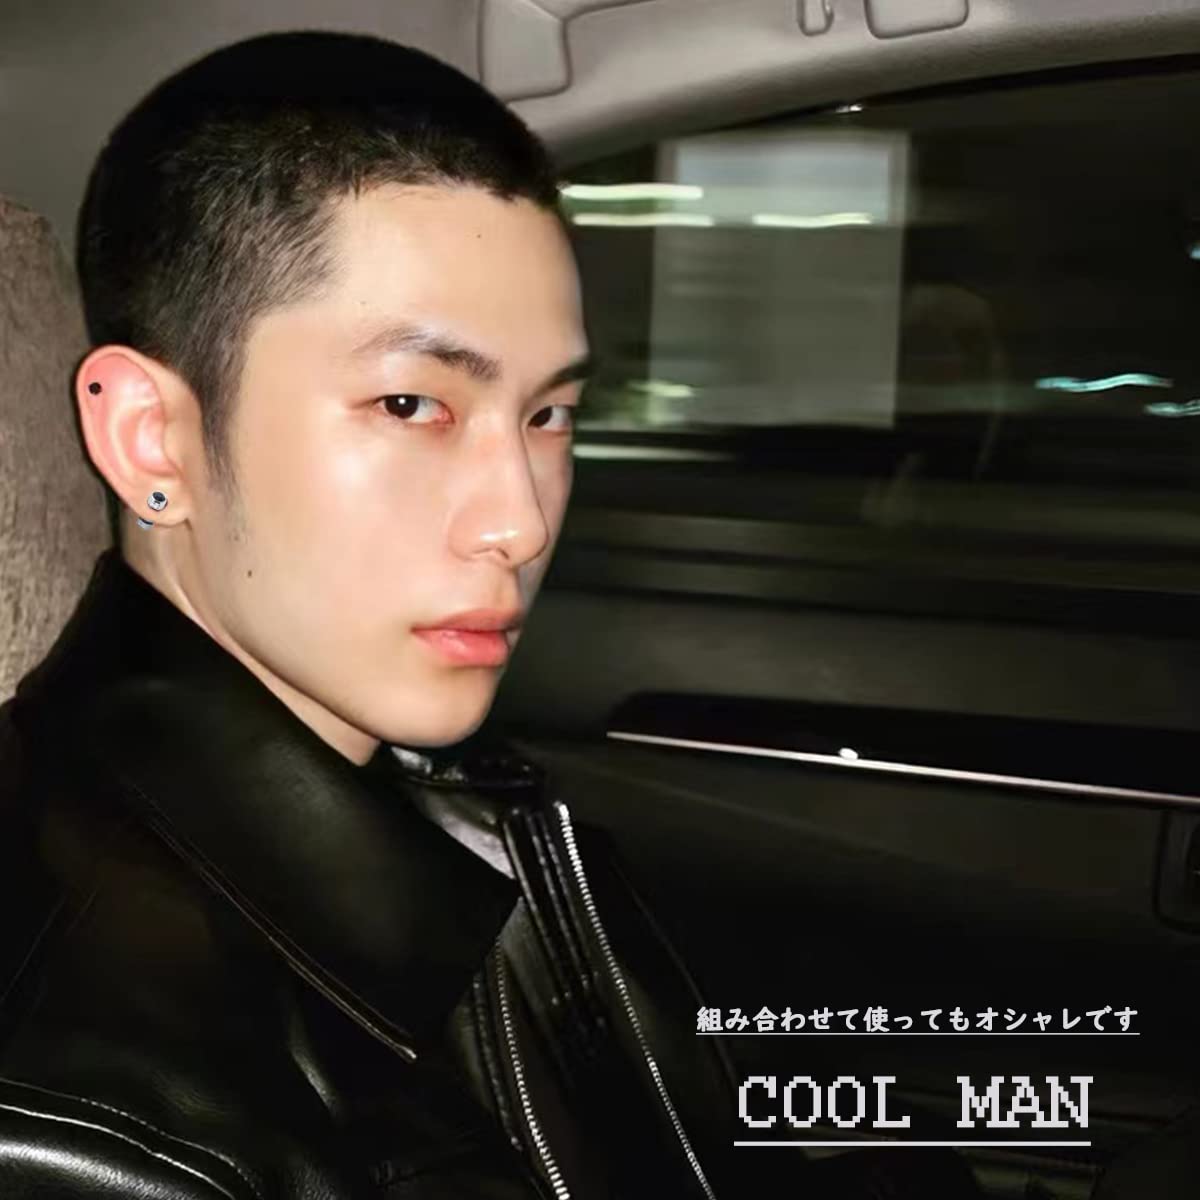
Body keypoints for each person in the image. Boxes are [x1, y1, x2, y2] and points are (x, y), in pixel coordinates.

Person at [0, 31, 739, 1199]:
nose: (520, 522)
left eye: (549, 415)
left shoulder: (448, 799)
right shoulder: (84, 1129)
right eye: (411, 404)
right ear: (153, 441)